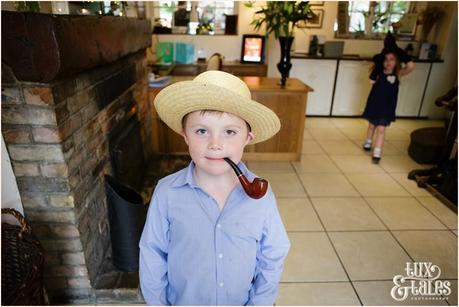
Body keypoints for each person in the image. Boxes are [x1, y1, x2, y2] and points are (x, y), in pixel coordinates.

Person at [139, 70, 290, 305]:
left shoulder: (261, 195)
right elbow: (152, 253)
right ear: (185, 135)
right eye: (201, 131)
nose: (215, 144)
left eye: (230, 132)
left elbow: (273, 252)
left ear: (248, 138)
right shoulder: (167, 192)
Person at [362, 33, 415, 163]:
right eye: (386, 59)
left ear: (397, 61)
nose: (388, 62)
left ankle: (377, 152)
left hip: (387, 106)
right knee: (371, 125)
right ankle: (368, 141)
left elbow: (411, 66)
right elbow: (371, 81)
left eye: (392, 59)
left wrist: (400, 53)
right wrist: (377, 69)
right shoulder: (379, 74)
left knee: (381, 128)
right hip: (375, 103)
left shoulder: (398, 73)